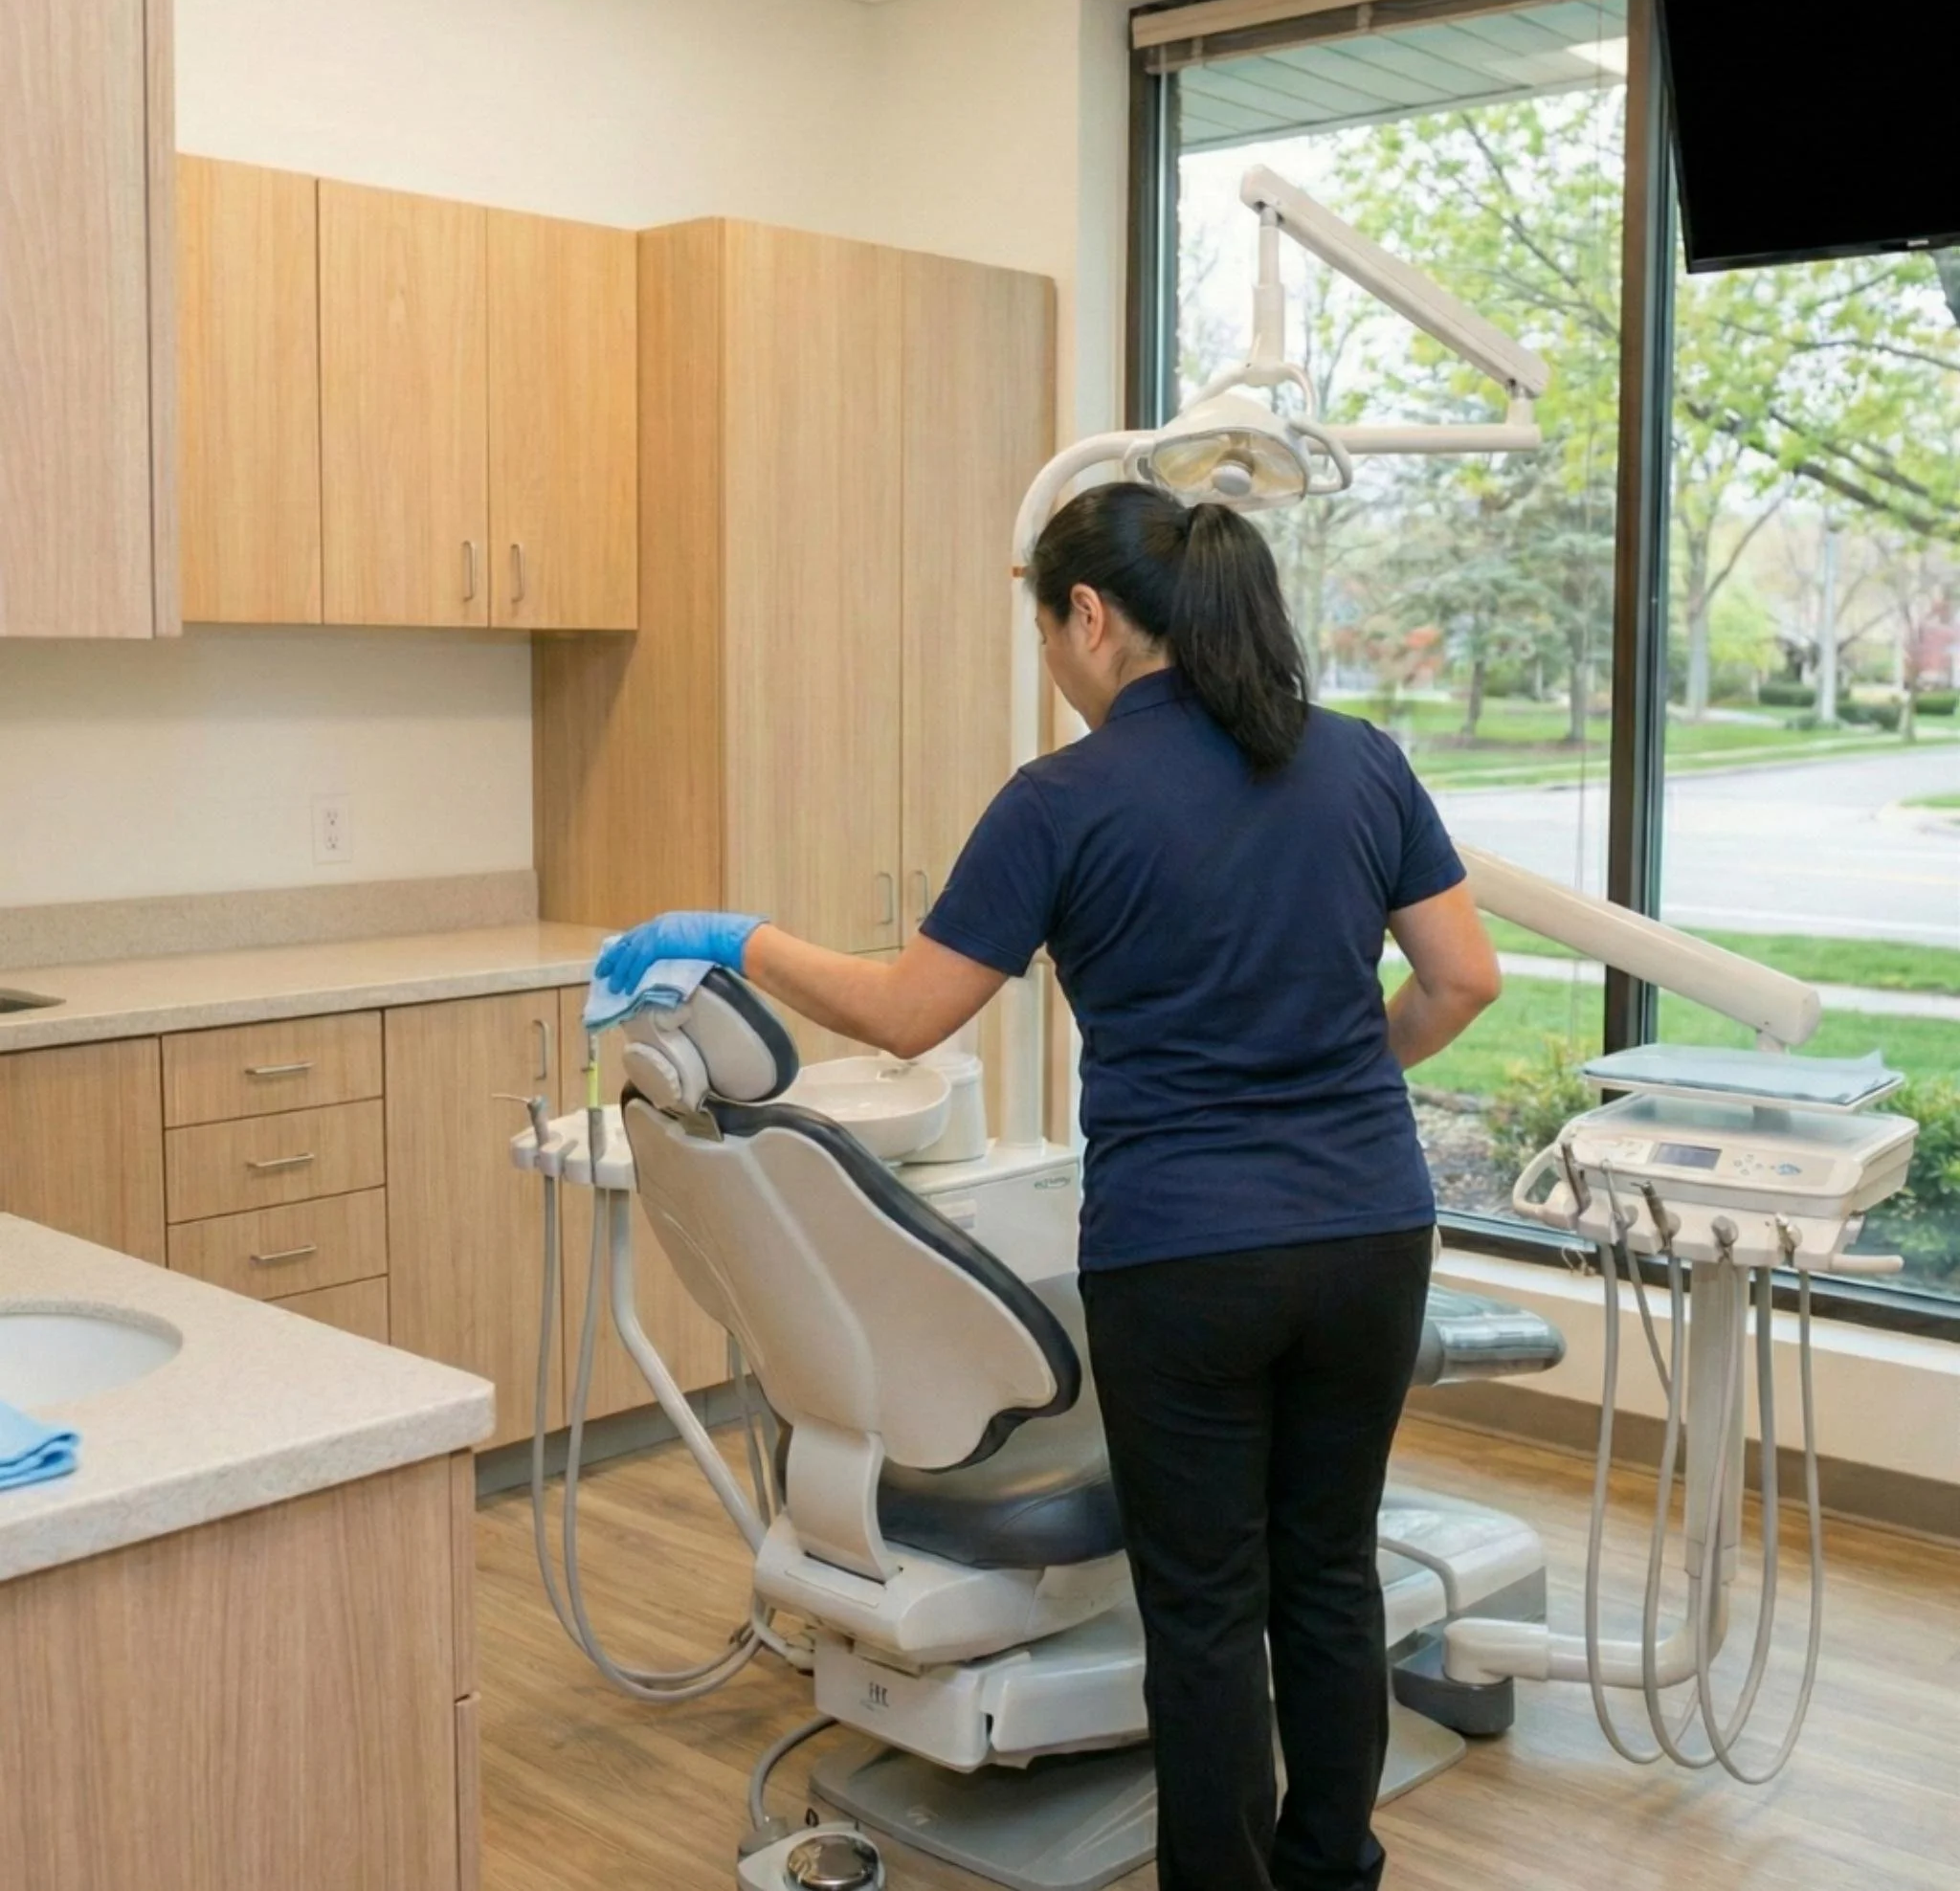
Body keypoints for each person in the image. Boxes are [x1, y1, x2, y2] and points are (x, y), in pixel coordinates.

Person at [596, 481, 1502, 1891]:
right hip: (1369, 1231)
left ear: (1090, 617)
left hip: (1184, 1253)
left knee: (1202, 1607)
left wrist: (743, 936)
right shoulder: (1358, 760)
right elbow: (1463, 979)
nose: (1052, 666)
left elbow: (907, 1015)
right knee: (1329, 1578)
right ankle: (1334, 1872)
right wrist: (1338, 1071)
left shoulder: (1062, 800)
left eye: (1046, 632)